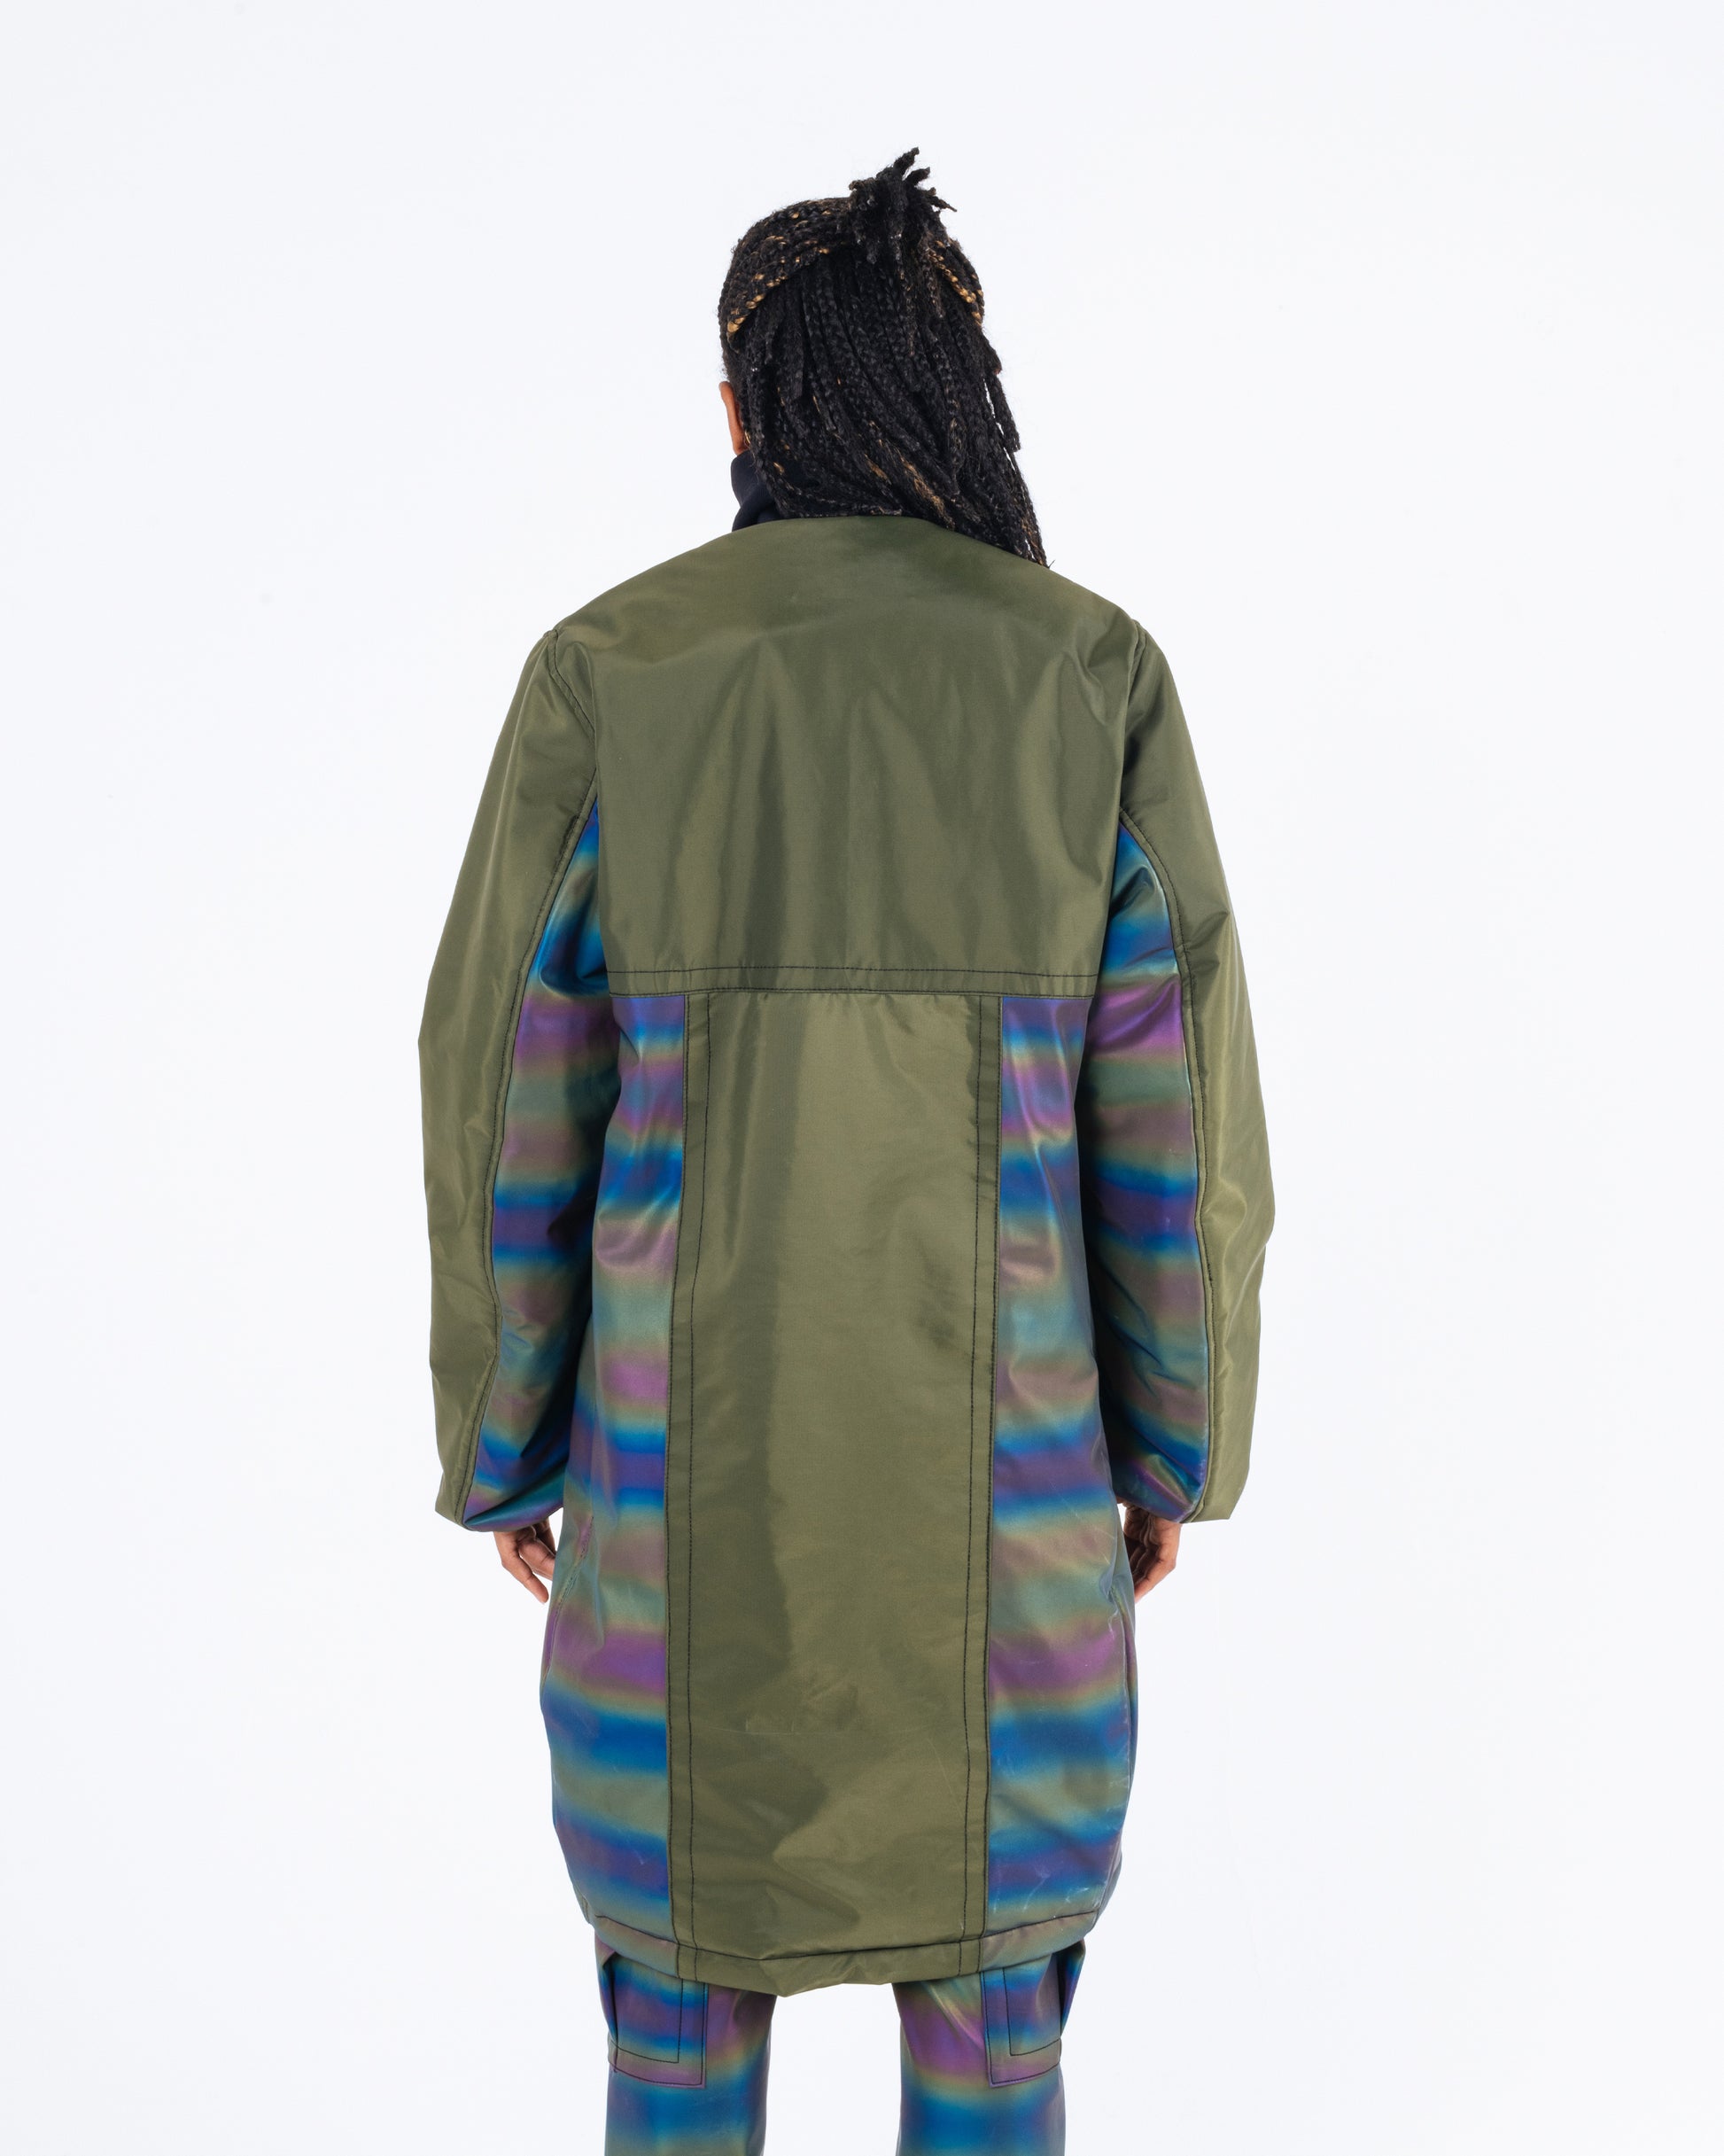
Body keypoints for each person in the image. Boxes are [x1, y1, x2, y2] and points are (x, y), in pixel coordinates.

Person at [420, 150, 1272, 2156]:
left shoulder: (612, 672)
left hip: (665, 1503)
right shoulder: (1084, 673)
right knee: (995, 2034)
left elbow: (503, 1091)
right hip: (1019, 1505)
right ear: (963, 388)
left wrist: (505, 1443)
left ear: (739, 406)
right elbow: (1177, 1122)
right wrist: (1171, 1447)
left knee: (673, 2016)